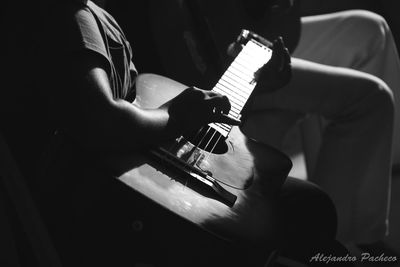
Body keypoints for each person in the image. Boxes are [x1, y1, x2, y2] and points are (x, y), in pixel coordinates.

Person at [1, 0, 352, 266]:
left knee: (307, 206)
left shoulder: (75, 13)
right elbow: (103, 120)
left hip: (136, 164)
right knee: (311, 211)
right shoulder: (66, 16)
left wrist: (247, 81)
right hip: (115, 210)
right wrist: (172, 115)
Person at [133, 0, 396, 249]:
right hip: (209, 56)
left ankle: (369, 190)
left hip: (243, 36)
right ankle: (338, 244)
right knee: (373, 98)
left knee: (370, 29)